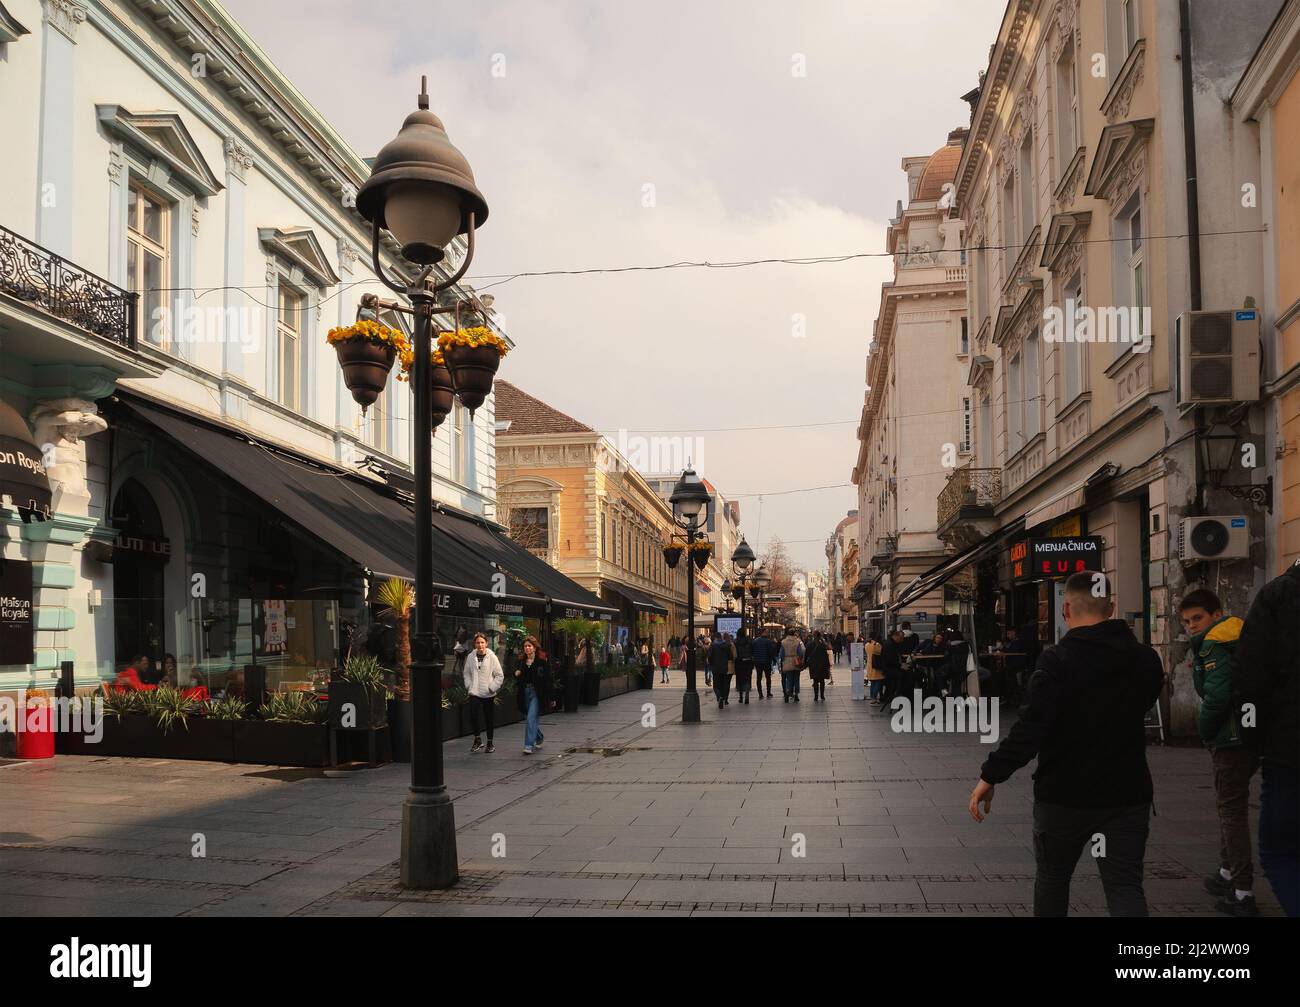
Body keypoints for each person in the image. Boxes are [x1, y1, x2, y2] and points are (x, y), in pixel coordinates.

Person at [969, 571, 1164, 917]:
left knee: (1054, 879)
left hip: (1064, 795)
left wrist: (991, 775)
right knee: (1124, 886)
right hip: (1127, 792)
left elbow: (1033, 728)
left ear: (1066, 610)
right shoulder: (1146, 660)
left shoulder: (1057, 661)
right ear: (1112, 607)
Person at [1180, 588, 1258, 916]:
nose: (1192, 627)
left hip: (1230, 738)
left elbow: (1217, 697)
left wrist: (1204, 730)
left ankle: (1242, 892)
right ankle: (1227, 873)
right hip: (1252, 734)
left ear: (1215, 614)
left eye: (1197, 618)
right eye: (1186, 622)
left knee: (1232, 813)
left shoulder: (1215, 644)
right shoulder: (1241, 637)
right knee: (1230, 806)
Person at [1234, 559, 1300, 918]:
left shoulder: (1277, 595)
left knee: (1281, 853)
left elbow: (1250, 677)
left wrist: (1253, 744)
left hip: (1289, 752)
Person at [463, 632, 504, 754]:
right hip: (474, 692)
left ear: (486, 643)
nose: (480, 645)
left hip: (488, 693)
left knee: (488, 718)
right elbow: (466, 673)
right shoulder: (470, 657)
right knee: (473, 715)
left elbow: (499, 675)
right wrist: (469, 686)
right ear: (474, 644)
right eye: (477, 642)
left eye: (482, 642)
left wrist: (492, 687)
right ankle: (478, 740)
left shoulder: (492, 657)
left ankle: (490, 743)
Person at [514, 635, 548, 755]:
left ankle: (528, 745)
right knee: (530, 718)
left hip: (536, 693)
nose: (527, 648)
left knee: (530, 718)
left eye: (529, 646)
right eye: (525, 646)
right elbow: (515, 676)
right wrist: (517, 674)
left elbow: (547, 679)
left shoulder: (541, 662)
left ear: (534, 647)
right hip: (524, 692)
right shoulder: (521, 662)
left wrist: (551, 696)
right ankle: (538, 737)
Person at [876, 629, 903, 712]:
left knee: (891, 687)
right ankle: (895, 699)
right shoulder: (889, 644)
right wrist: (900, 666)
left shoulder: (891, 643)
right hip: (891, 670)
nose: (901, 640)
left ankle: (888, 698)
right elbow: (891, 659)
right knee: (904, 680)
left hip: (890, 669)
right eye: (900, 638)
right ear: (895, 636)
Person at [709, 632, 736, 708]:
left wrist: (711, 664)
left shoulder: (713, 646)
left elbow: (710, 657)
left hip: (715, 667)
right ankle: (723, 697)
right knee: (723, 684)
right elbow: (730, 656)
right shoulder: (726, 645)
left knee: (716, 685)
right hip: (724, 667)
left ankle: (719, 697)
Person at [779, 626, 804, 702]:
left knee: (788, 679)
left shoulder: (783, 642)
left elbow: (781, 654)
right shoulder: (798, 641)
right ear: (794, 634)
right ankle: (796, 695)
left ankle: (787, 694)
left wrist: (783, 660)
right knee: (796, 679)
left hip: (787, 662)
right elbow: (801, 653)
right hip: (796, 661)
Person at [751, 630, 776, 699]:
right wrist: (773, 660)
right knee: (768, 678)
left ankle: (760, 694)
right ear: (763, 632)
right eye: (767, 632)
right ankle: (768, 693)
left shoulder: (755, 641)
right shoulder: (768, 641)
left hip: (758, 662)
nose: (768, 633)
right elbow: (771, 652)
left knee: (759, 678)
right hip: (766, 662)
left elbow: (752, 651)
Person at [807, 630, 831, 701]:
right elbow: (826, 656)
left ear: (813, 636)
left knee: (815, 681)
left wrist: (805, 664)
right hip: (822, 665)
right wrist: (828, 665)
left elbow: (806, 654)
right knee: (822, 680)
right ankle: (822, 695)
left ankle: (816, 696)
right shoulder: (823, 644)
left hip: (813, 665)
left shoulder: (810, 644)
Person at [734, 629, 754, 704]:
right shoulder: (749, 641)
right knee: (747, 678)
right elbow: (752, 651)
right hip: (748, 662)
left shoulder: (736, 642)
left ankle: (741, 696)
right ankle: (747, 693)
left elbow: (734, 653)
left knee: (740, 679)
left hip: (739, 662)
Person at [866, 632, 885, 705]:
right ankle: (874, 698)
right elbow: (881, 652)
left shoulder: (867, 645)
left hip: (869, 665)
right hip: (877, 665)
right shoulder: (877, 645)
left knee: (872, 682)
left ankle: (872, 697)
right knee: (878, 682)